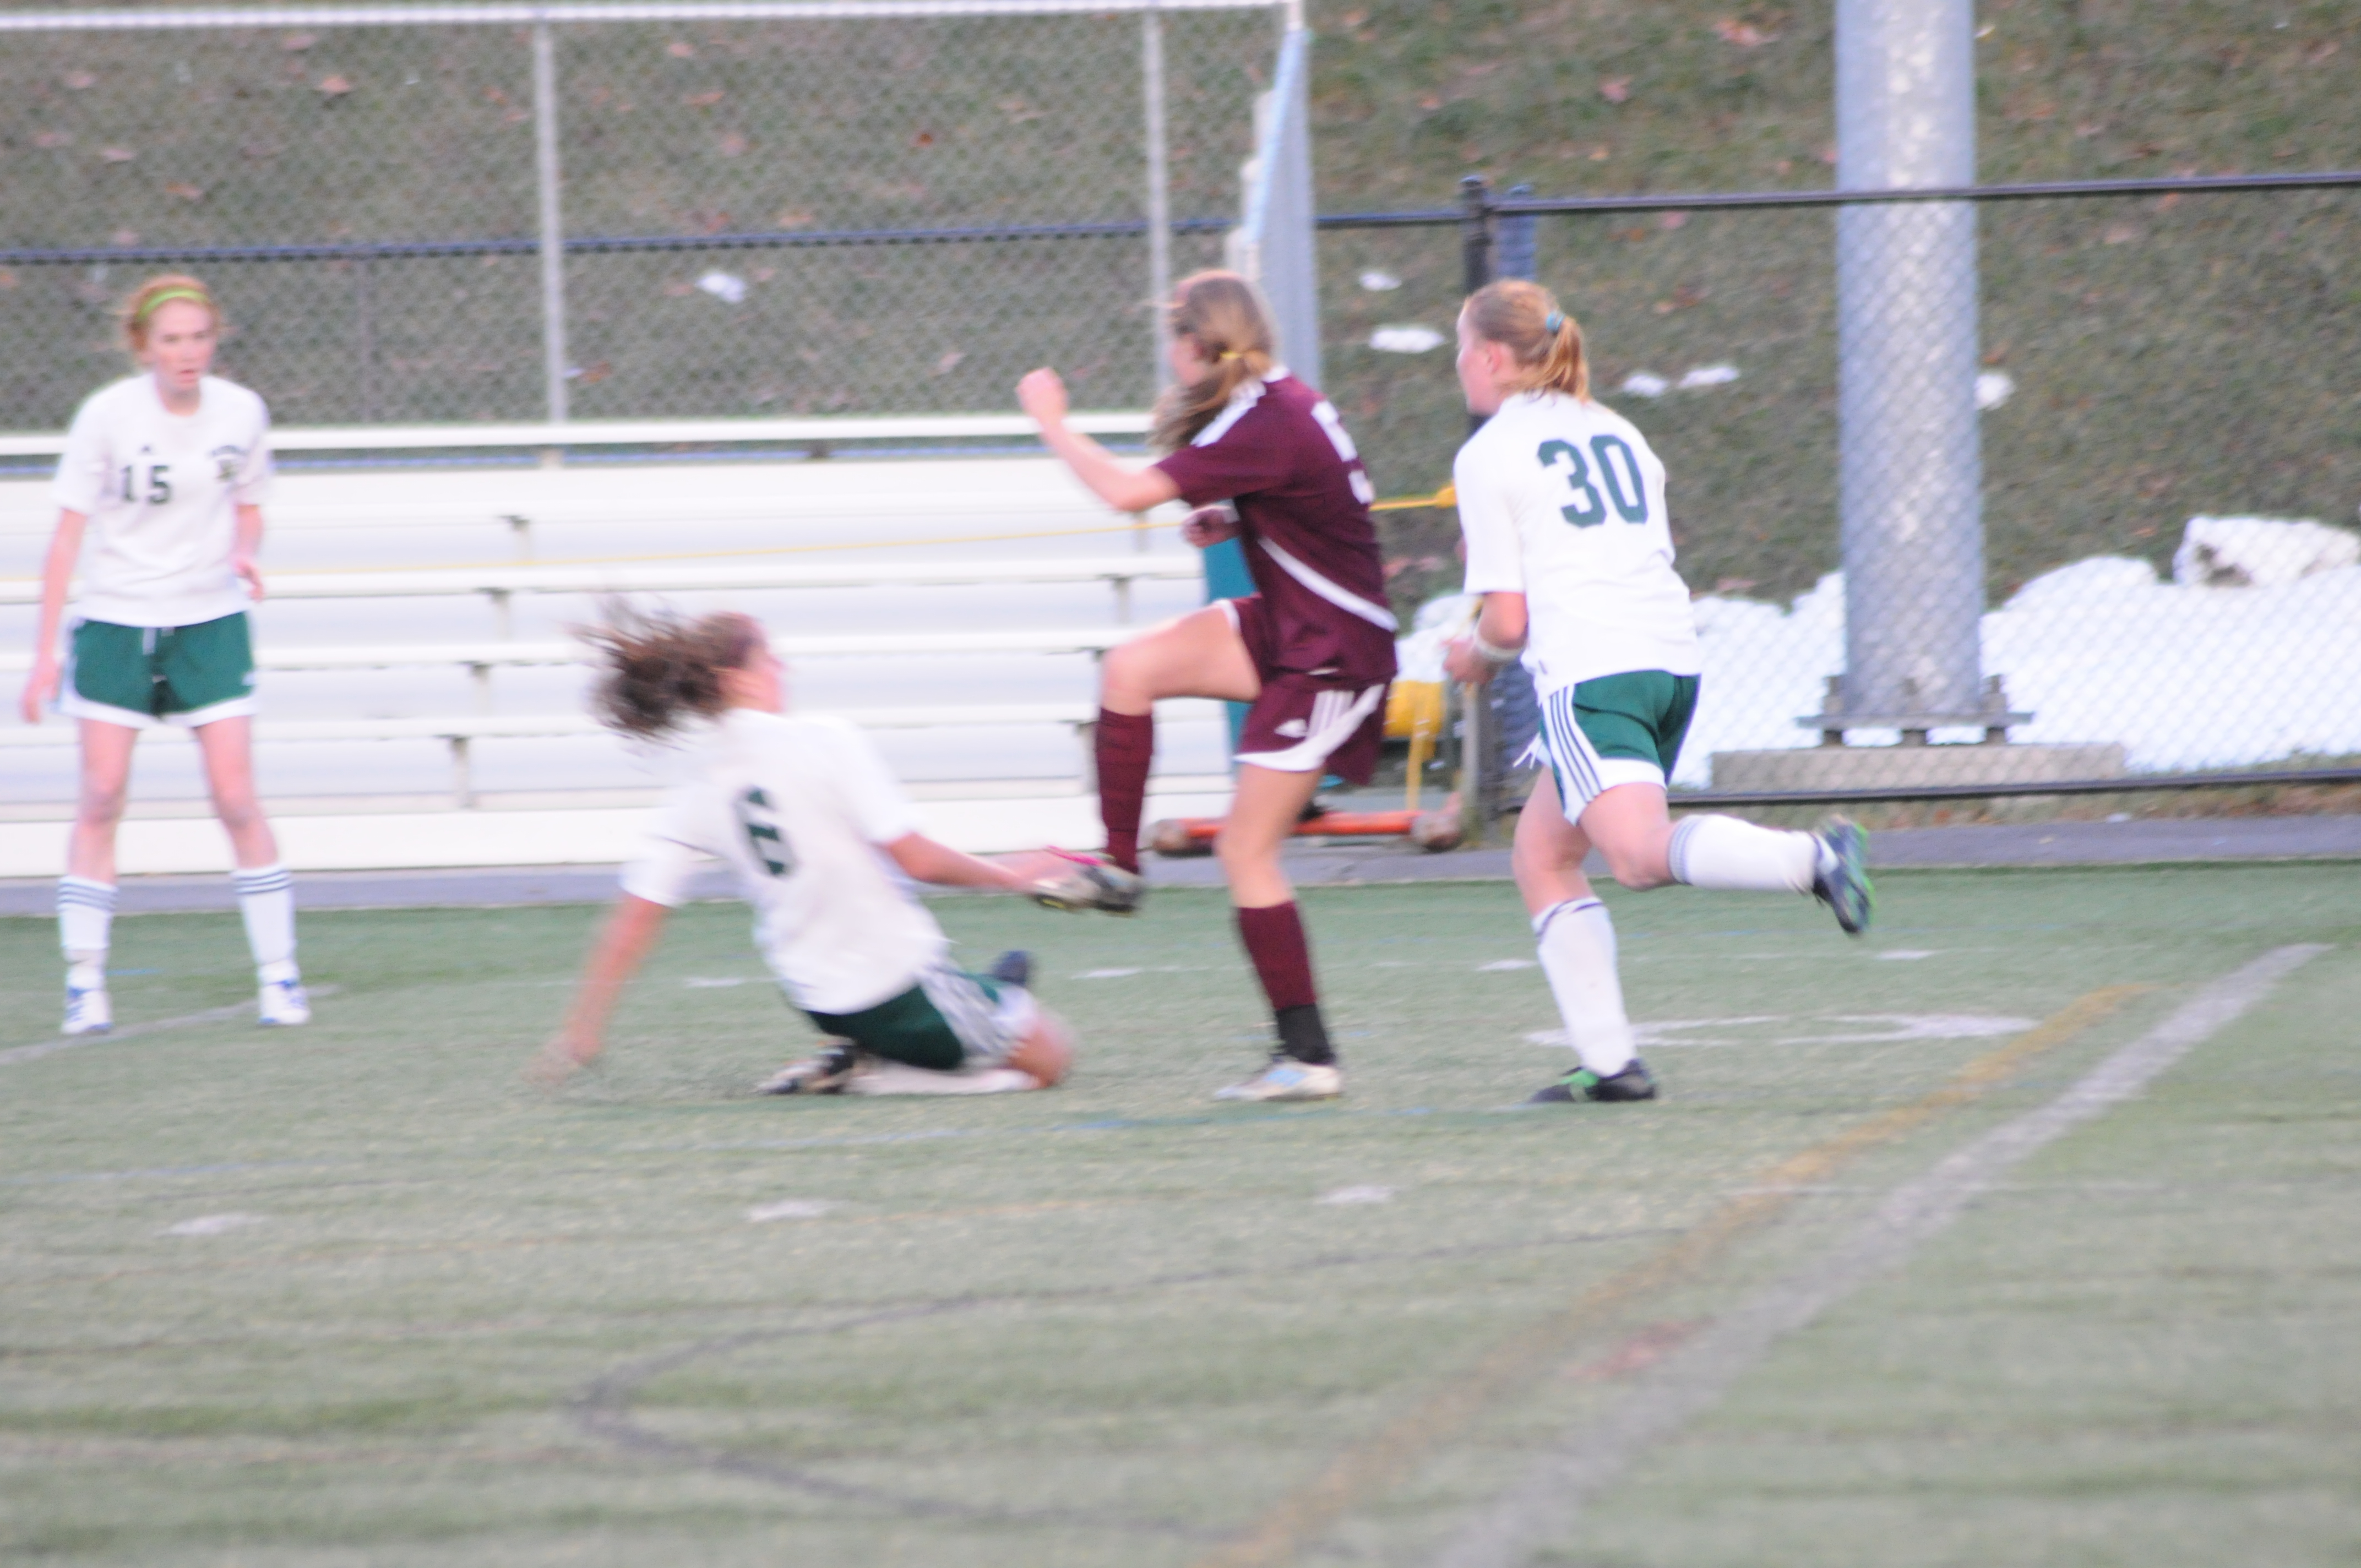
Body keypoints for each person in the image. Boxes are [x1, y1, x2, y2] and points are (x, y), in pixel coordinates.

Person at [1443, 279, 1873, 1106]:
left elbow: (1508, 622)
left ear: (1493, 357)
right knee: (1543, 855)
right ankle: (1611, 1066)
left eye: (1461, 348)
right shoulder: (1618, 430)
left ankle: (1814, 860)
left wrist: (1474, 658)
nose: (1458, 364)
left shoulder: (1488, 452)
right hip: (1669, 664)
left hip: (1592, 673)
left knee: (1638, 857)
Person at [1018, 270, 1396, 1103]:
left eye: (1173, 339)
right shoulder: (1273, 402)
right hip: (1297, 621)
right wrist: (1233, 516)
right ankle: (1120, 868)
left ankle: (1309, 1058)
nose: (1169, 354)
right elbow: (1323, 496)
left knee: (1244, 851)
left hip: (1333, 652)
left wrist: (1051, 422)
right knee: (1132, 668)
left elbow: (1126, 494)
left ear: (1197, 343)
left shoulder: (1264, 419)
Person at [532, 607, 1114, 1096]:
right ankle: (875, 1074)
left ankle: (952, 1013)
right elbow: (918, 861)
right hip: (897, 984)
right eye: (769, 658)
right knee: (1052, 1059)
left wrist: (582, 1030)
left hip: (818, 998)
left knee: (989, 999)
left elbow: (635, 918)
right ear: (738, 678)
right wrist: (1016, 876)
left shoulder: (694, 785)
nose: (783, 668)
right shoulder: (825, 739)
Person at [19, 275, 306, 1036]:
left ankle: (280, 974)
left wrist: (245, 553)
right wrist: (44, 656)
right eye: (172, 340)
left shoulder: (241, 412)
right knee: (101, 795)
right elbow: (67, 540)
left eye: (199, 337)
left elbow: (250, 508)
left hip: (210, 625)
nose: (188, 353)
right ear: (144, 346)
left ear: (215, 339)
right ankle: (85, 981)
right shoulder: (106, 416)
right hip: (116, 623)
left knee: (236, 798)